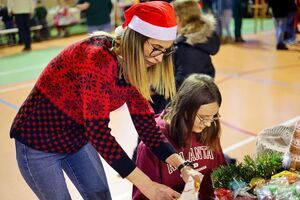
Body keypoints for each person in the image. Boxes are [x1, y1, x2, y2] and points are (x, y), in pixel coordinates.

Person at [9, 2, 202, 200]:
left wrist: (183, 166)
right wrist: (149, 186)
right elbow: (99, 133)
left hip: (76, 137)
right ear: (135, 39)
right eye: (156, 48)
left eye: (166, 50)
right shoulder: (98, 60)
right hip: (37, 142)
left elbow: (147, 127)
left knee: (100, 195)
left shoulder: (134, 65)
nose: (160, 59)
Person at [132, 74, 226, 200]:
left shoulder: (209, 130)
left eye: (213, 116)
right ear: (185, 109)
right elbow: (142, 196)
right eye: (203, 118)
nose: (208, 123)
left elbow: (223, 176)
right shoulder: (154, 141)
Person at [172, 0, 220, 89]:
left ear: (178, 18)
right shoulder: (190, 42)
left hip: (187, 100)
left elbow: (183, 84)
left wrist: (155, 89)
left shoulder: (188, 48)